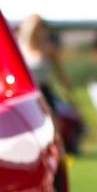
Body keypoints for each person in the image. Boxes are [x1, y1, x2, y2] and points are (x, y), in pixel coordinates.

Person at [16, 13, 84, 155]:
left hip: (44, 93)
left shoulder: (48, 49)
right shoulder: (18, 47)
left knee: (49, 128)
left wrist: (73, 99)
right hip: (24, 94)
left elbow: (61, 76)